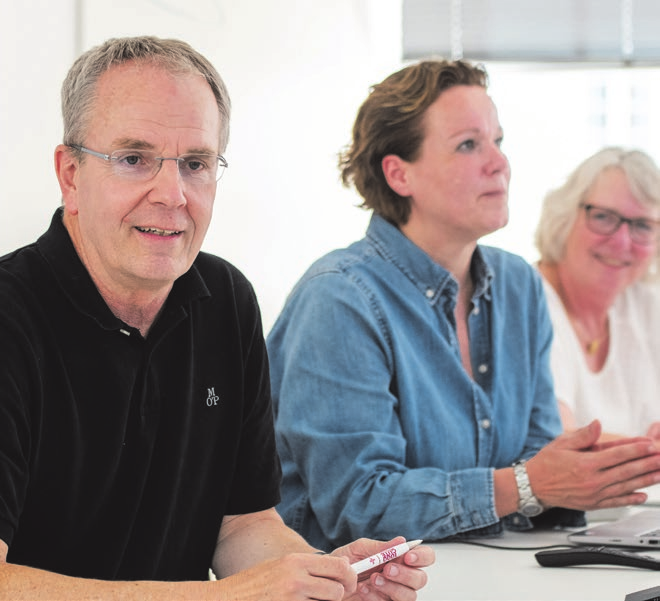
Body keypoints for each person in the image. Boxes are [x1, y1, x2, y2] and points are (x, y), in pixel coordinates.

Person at [0, 36, 433, 601]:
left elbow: (241, 525)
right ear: (70, 175)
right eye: (134, 159)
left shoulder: (226, 302)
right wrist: (227, 599)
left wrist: (319, 577)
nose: (173, 193)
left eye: (196, 164)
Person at [266, 58, 660, 549]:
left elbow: (536, 463)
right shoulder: (339, 299)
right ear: (399, 174)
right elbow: (360, 507)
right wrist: (529, 484)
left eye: (498, 140)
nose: (499, 163)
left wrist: (605, 466)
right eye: (468, 144)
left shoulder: (518, 285)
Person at [535, 147, 660, 440]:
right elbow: (558, 441)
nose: (621, 241)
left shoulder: (647, 304)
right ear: (564, 216)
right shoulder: (528, 300)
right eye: (603, 217)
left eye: (643, 225)